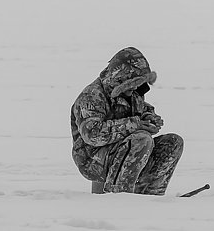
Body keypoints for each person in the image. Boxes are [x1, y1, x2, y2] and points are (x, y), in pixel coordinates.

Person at [70, 46, 183, 195]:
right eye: (132, 84)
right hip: (93, 159)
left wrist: (149, 119)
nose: (135, 88)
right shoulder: (92, 96)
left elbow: (141, 109)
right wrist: (134, 125)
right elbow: (92, 134)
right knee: (141, 139)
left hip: (123, 150)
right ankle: (118, 196)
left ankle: (150, 197)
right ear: (120, 79)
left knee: (173, 142)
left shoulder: (132, 92)